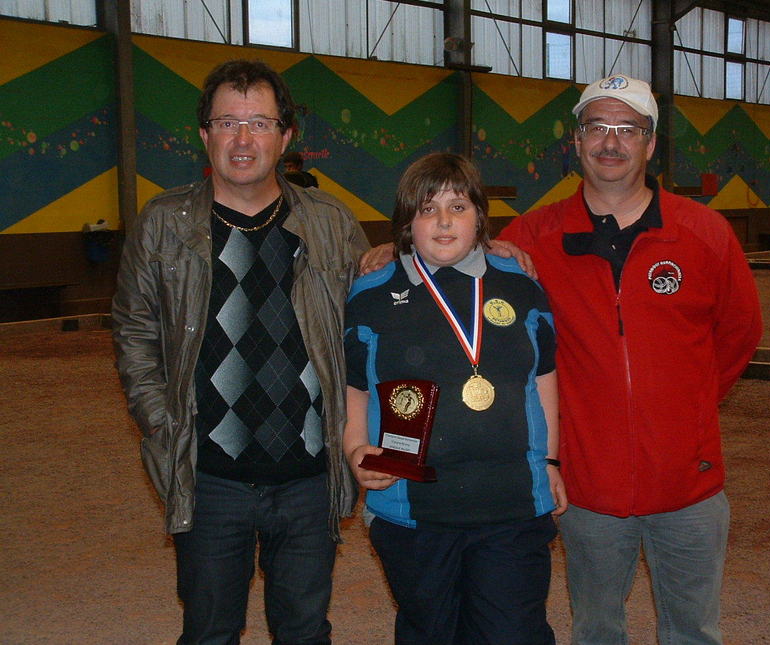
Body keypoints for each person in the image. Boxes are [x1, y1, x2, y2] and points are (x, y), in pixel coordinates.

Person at [495, 74, 763, 645]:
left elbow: (739, 333)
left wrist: (684, 408)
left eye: (627, 128)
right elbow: (451, 253)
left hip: (689, 486)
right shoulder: (533, 236)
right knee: (595, 629)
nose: (610, 142)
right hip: (588, 489)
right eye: (597, 127)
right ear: (576, 140)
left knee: (693, 630)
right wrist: (391, 250)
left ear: (650, 142)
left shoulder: (704, 233)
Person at [112, 59, 369, 644]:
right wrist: (164, 422)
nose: (244, 138)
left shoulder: (332, 224)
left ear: (286, 136)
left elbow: (381, 315)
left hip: (308, 477)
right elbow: (133, 333)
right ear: (205, 135)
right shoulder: (162, 224)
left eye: (260, 122)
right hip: (210, 481)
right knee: (208, 632)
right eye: (228, 123)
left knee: (304, 631)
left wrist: (493, 251)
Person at [343, 152, 567, 645]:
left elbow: (543, 376)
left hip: (511, 507)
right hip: (413, 513)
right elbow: (355, 386)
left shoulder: (521, 286)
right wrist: (356, 448)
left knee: (515, 633)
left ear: (481, 218)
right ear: (407, 223)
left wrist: (550, 461)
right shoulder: (371, 293)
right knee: (430, 632)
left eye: (459, 207)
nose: (444, 221)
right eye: (427, 209)